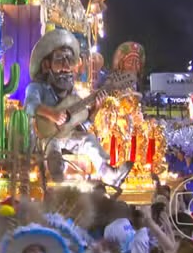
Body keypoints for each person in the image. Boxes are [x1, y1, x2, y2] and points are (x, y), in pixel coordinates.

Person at [24, 28, 133, 188]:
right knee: (52, 149)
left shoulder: (73, 93)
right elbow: (29, 105)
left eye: (69, 60)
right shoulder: (37, 87)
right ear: (47, 65)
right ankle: (55, 180)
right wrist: (52, 114)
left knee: (89, 140)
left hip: (68, 137)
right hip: (44, 138)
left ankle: (109, 174)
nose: (66, 65)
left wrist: (95, 108)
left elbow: (83, 124)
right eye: (60, 59)